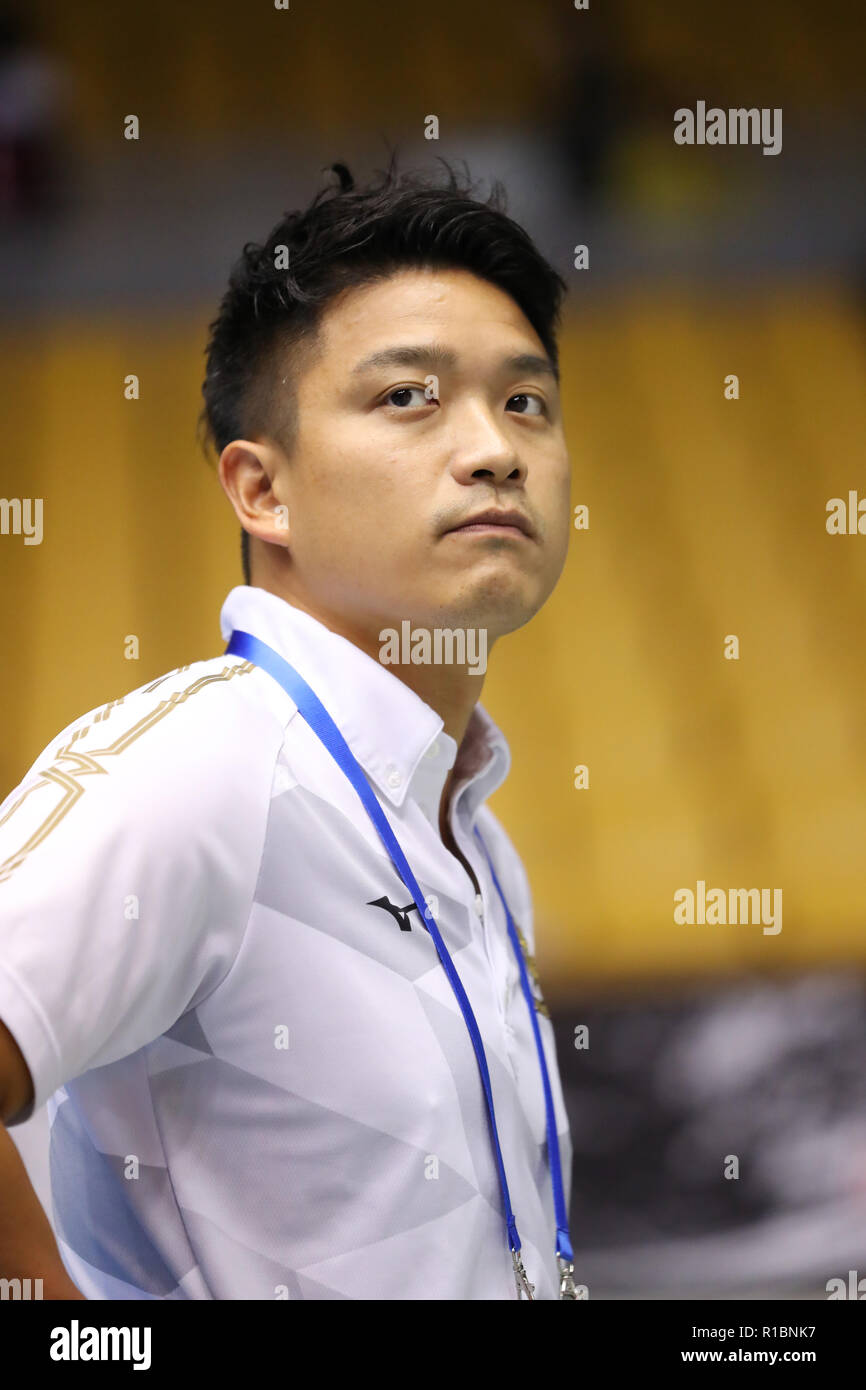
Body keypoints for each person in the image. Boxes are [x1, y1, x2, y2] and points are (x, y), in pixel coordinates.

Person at [0, 157, 574, 1300]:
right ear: (261, 491)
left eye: (525, 400)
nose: (495, 448)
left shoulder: (466, 826)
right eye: (409, 395)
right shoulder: (200, 766)